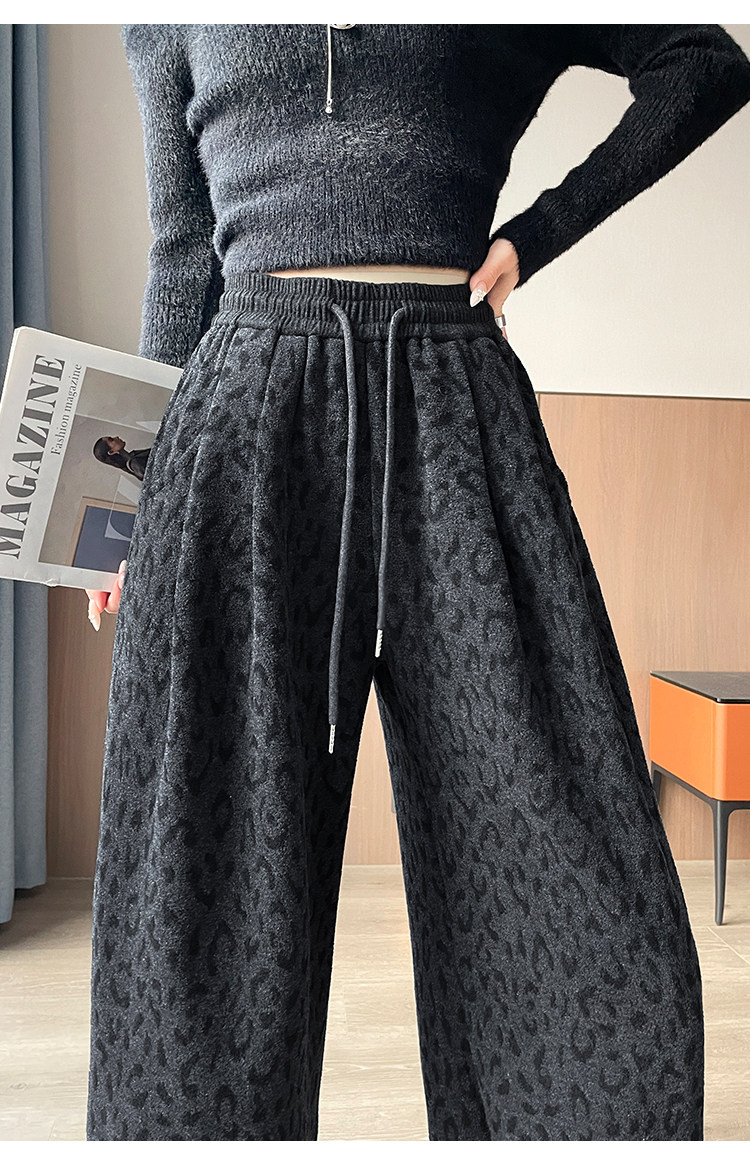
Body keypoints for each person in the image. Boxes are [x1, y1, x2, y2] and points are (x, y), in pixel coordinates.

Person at [85, 23, 750, 1141]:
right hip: (243, 419)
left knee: (562, 836)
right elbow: (182, 250)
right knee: (207, 869)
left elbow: (706, 65)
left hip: (456, 399)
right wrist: (122, 512)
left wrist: (539, 233)